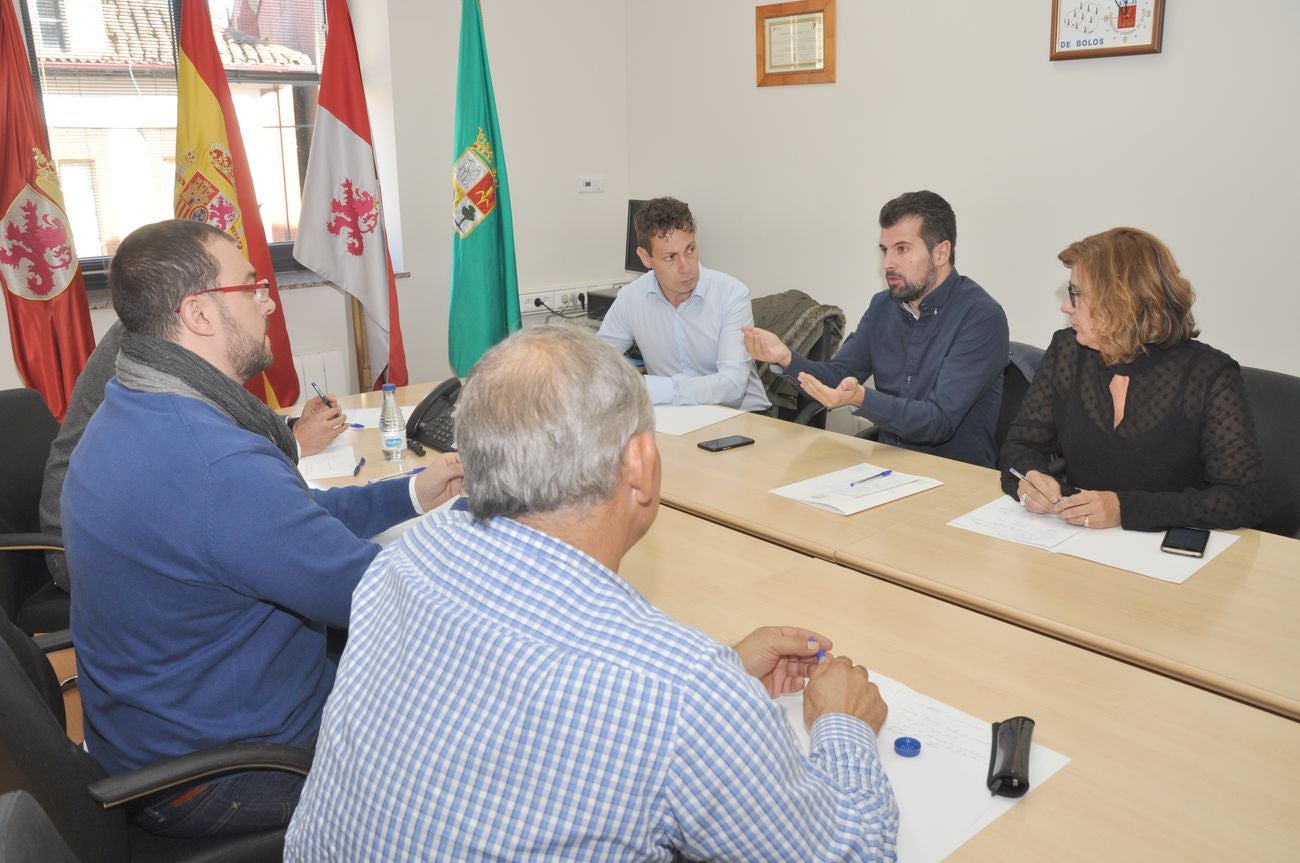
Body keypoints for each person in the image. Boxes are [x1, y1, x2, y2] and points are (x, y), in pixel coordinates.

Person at [284, 326, 899, 862]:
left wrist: (724, 677)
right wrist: (842, 725)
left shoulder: (408, 557)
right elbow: (850, 852)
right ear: (641, 464)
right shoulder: (678, 691)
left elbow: (521, 698)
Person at [60, 219, 463, 837]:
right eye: (250, 288)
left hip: (153, 732)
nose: (268, 300)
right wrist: (502, 528)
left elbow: (284, 527)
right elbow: (382, 598)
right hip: (223, 773)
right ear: (199, 314)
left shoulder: (135, 403)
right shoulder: (213, 462)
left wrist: (413, 492)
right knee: (466, 742)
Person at [39, 320, 348, 592]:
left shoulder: (170, 330)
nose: (265, 304)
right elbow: (201, 453)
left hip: (130, 520)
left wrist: (291, 426)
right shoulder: (153, 337)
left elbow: (218, 417)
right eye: (247, 289)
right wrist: (293, 443)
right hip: (80, 546)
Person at [999, 227, 1265, 531]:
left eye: (1076, 294)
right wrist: (1029, 478)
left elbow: (1242, 499)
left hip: (1169, 552)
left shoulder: (1209, 375)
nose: (1066, 306)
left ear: (1118, 301)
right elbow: (1021, 443)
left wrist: (1125, 509)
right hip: (1079, 539)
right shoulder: (1067, 351)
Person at [743, 190, 1009, 467]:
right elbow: (838, 376)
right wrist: (785, 358)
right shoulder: (884, 306)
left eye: (902, 249)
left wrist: (862, 398)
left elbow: (938, 421)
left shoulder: (981, 317)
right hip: (887, 468)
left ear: (941, 252)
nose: (887, 264)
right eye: (885, 250)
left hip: (956, 478)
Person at [597, 196, 771, 412]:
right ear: (645, 258)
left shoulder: (731, 294)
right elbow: (596, 366)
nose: (686, 267)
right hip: (672, 417)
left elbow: (732, 386)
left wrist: (650, 388)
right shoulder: (631, 297)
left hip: (742, 417)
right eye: (670, 257)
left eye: (690, 250)